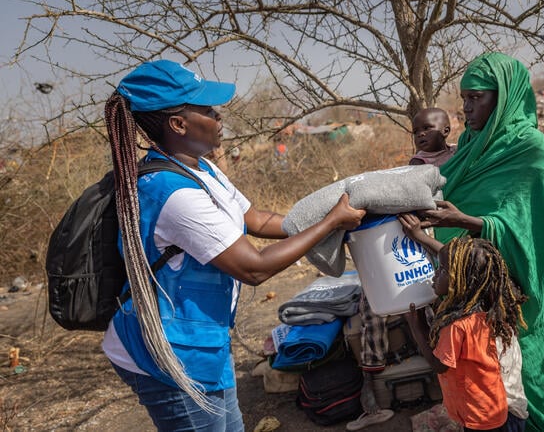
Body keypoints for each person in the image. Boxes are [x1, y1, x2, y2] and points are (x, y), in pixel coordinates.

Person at [100, 60, 365, 431]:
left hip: (202, 340)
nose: (218, 116)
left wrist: (326, 214)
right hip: (170, 352)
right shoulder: (172, 193)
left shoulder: (200, 169)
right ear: (178, 124)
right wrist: (330, 223)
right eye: (207, 110)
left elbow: (255, 220)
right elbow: (253, 267)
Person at [413, 52, 544, 430]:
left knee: (529, 369)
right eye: (464, 97)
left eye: (476, 97)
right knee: (483, 372)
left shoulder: (529, 146)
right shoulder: (470, 143)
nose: (465, 108)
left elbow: (531, 227)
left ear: (503, 96)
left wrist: (464, 220)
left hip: (525, 284)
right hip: (475, 283)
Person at [347, 108, 459, 431]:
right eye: (416, 131)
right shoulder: (416, 166)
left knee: (440, 303)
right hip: (422, 239)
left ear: (448, 130)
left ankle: (445, 378)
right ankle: (371, 386)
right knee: (371, 303)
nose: (421, 134)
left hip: (450, 241)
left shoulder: (460, 156)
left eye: (428, 128)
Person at [402, 236, 528, 431]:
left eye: (442, 270)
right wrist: (420, 236)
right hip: (506, 408)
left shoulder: (458, 327)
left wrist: (417, 327)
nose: (435, 275)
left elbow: (439, 366)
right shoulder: (494, 307)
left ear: (462, 280)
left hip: (483, 419)